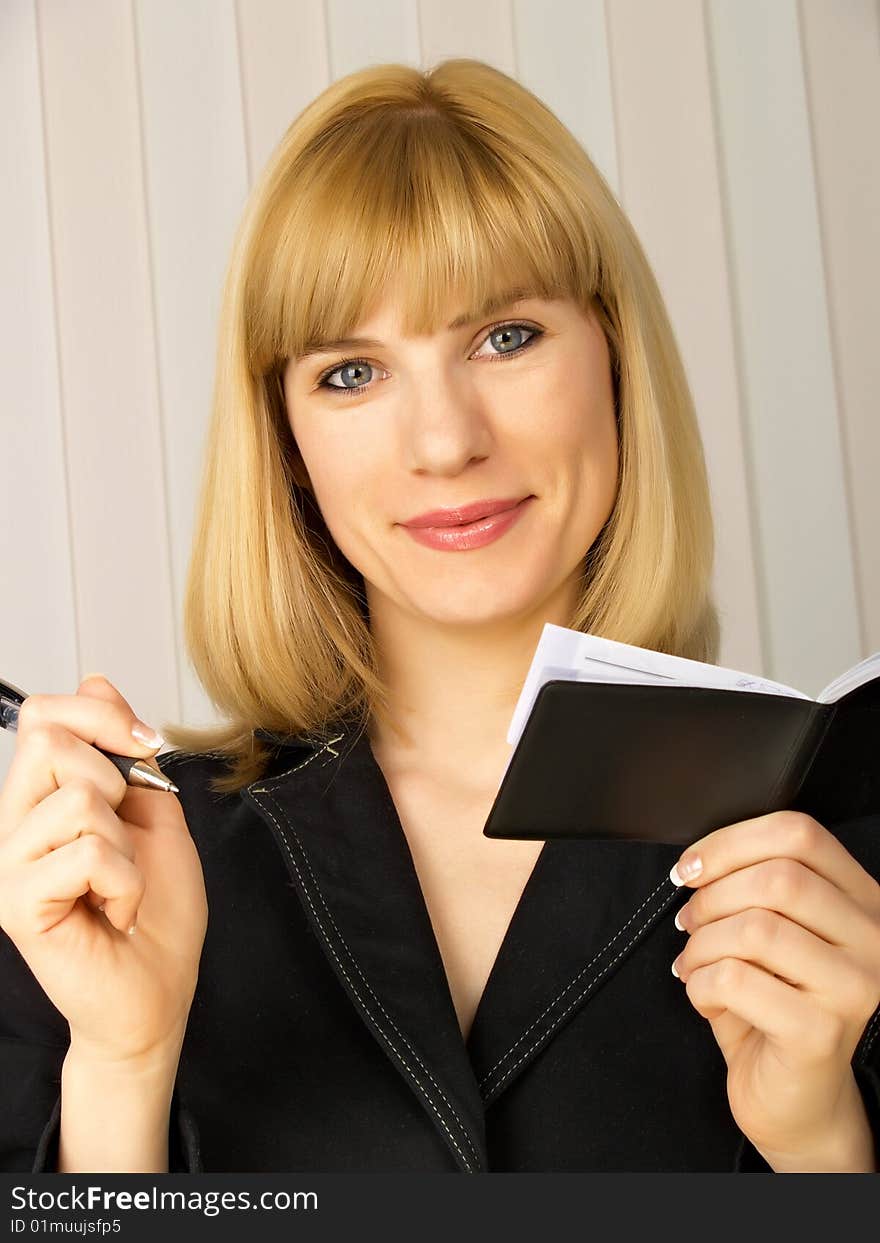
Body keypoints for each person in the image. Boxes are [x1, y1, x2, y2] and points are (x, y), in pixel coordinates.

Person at [1, 58, 878, 1175]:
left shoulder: (834, 858)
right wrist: (123, 1067)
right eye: (353, 371)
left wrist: (823, 1146)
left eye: (503, 337)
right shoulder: (109, 886)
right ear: (287, 444)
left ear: (613, 356)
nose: (444, 441)